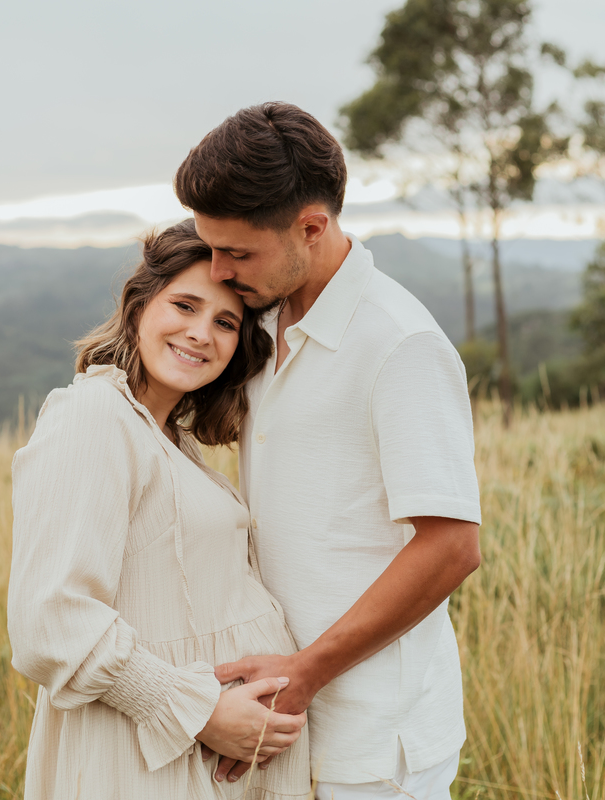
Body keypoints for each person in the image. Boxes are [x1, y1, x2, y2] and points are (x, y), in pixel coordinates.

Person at [174, 102, 483, 800]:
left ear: (311, 227)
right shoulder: (262, 322)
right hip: (284, 724)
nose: (218, 271)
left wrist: (306, 671)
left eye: (238, 252)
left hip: (376, 743)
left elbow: (452, 546)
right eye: (211, 246)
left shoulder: (401, 344)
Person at [8, 219, 312, 799]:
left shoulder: (172, 437)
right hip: (147, 754)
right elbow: (48, 619)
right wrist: (200, 713)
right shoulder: (94, 416)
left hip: (202, 755)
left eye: (225, 322)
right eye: (185, 305)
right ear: (140, 306)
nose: (201, 333)